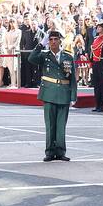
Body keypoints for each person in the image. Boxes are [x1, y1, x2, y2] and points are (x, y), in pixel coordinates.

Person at [28, 28, 77, 162]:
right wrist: (40, 45)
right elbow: (31, 58)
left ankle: (60, 151)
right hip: (49, 92)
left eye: (56, 39)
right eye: (50, 39)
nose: (53, 42)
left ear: (60, 40)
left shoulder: (68, 56)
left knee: (61, 125)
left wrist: (73, 96)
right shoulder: (44, 56)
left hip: (63, 92)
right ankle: (49, 151)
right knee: (50, 125)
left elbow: (72, 78)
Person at [90, 24, 103, 112]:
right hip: (95, 64)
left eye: (100, 27)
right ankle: (97, 105)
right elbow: (92, 53)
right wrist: (91, 65)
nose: (98, 28)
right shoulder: (96, 39)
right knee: (96, 85)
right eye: (97, 27)